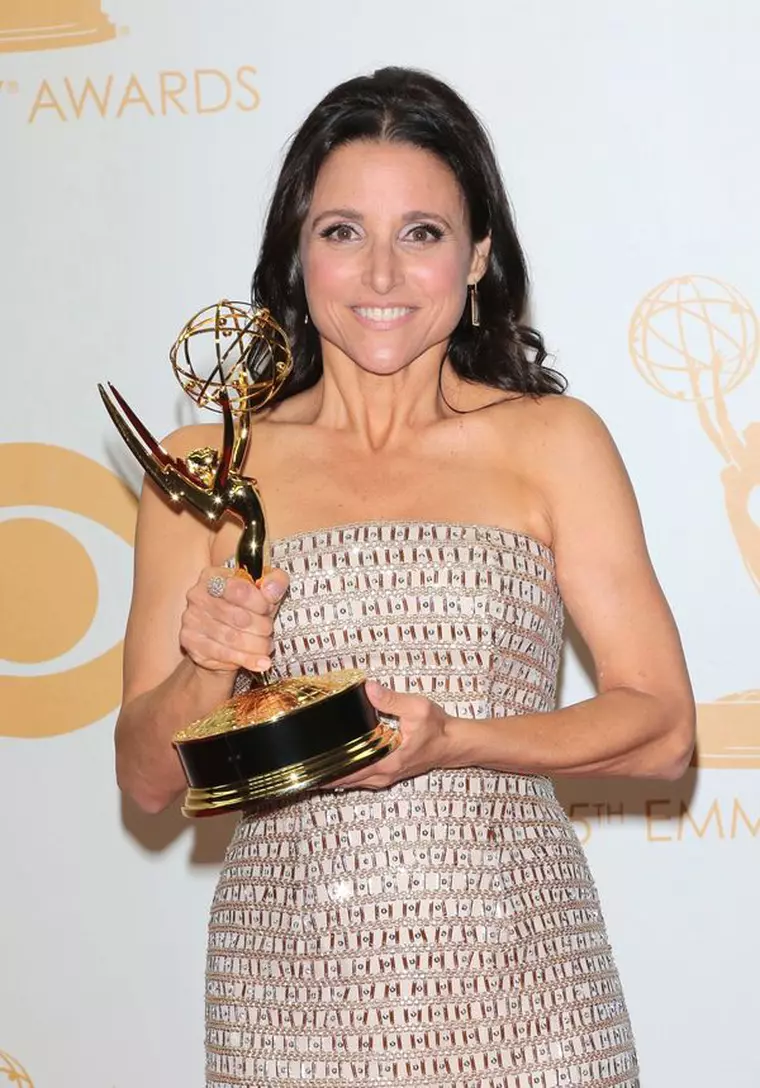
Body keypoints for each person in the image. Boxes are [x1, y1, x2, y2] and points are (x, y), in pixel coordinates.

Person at [114, 67, 695, 1088]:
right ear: (297, 256)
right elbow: (149, 778)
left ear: (476, 256)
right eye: (342, 231)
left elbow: (661, 727)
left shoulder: (552, 442)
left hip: (527, 1000)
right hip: (284, 1004)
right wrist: (207, 663)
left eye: (421, 233)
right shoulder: (205, 466)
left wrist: (453, 741)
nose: (380, 273)